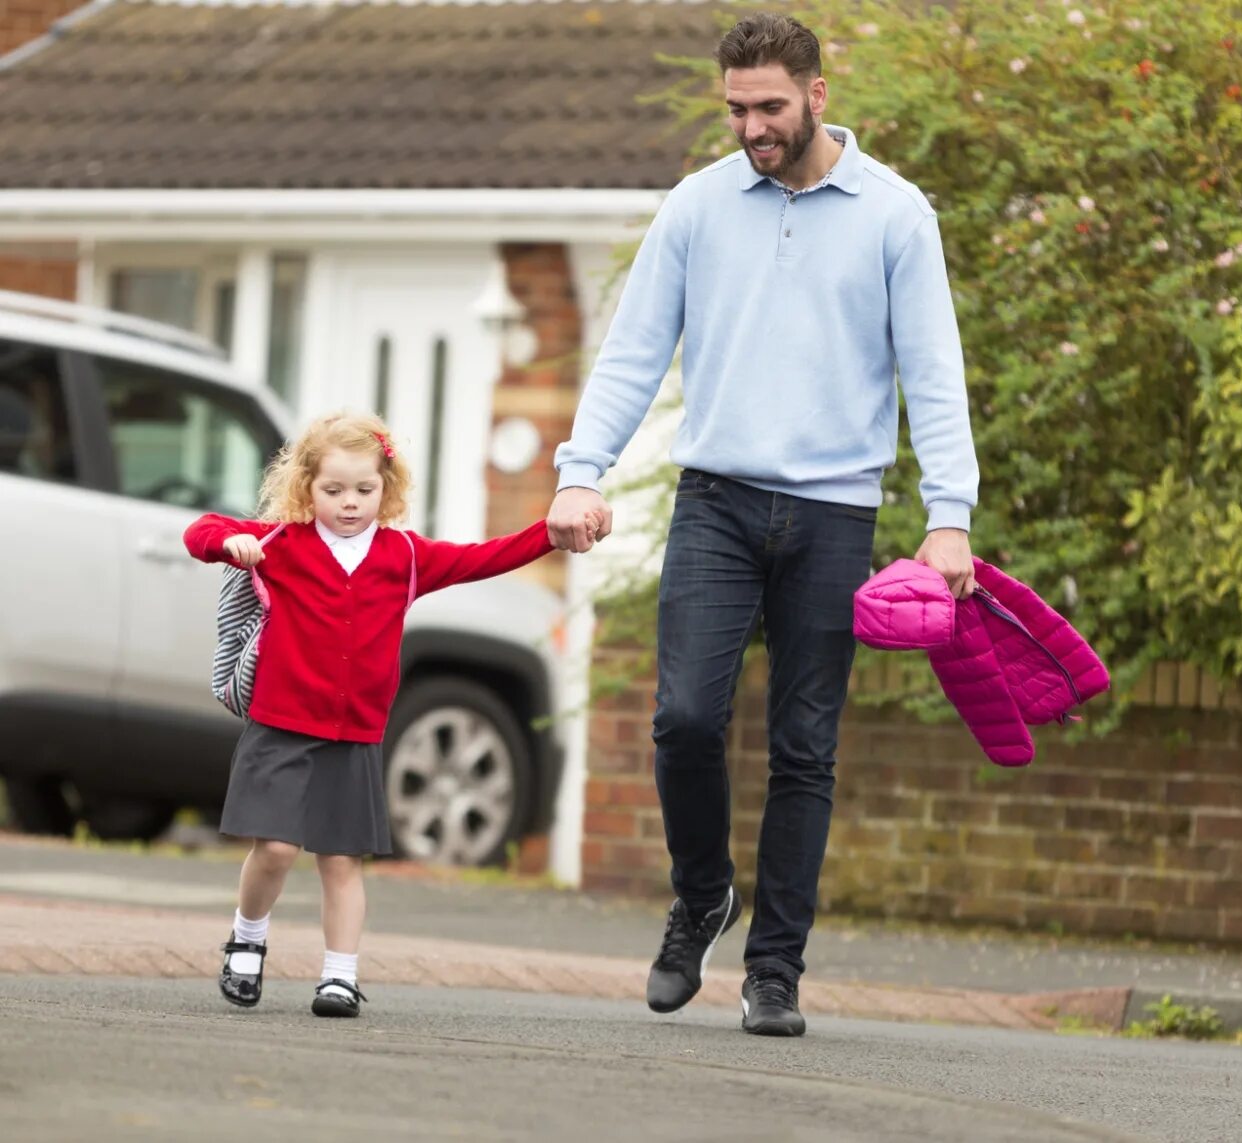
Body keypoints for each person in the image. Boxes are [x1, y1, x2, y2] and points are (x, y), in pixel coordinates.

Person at [546, 12, 980, 1037]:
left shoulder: (894, 214)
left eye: (771, 107)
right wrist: (579, 471)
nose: (753, 127)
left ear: (818, 96)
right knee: (685, 719)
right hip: (717, 502)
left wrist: (947, 515)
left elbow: (933, 372)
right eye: (737, 109)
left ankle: (774, 969)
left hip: (835, 512)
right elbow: (631, 352)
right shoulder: (697, 207)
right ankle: (702, 894)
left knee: (804, 748)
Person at [184, 411, 578, 1017]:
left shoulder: (406, 557)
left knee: (341, 860)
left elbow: (484, 557)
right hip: (280, 726)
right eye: (333, 491)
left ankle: (339, 976)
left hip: (354, 734)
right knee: (278, 850)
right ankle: (247, 938)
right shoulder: (281, 545)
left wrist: (549, 535)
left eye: (364, 490)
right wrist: (226, 542)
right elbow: (201, 531)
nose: (349, 503)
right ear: (306, 488)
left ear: (386, 489)